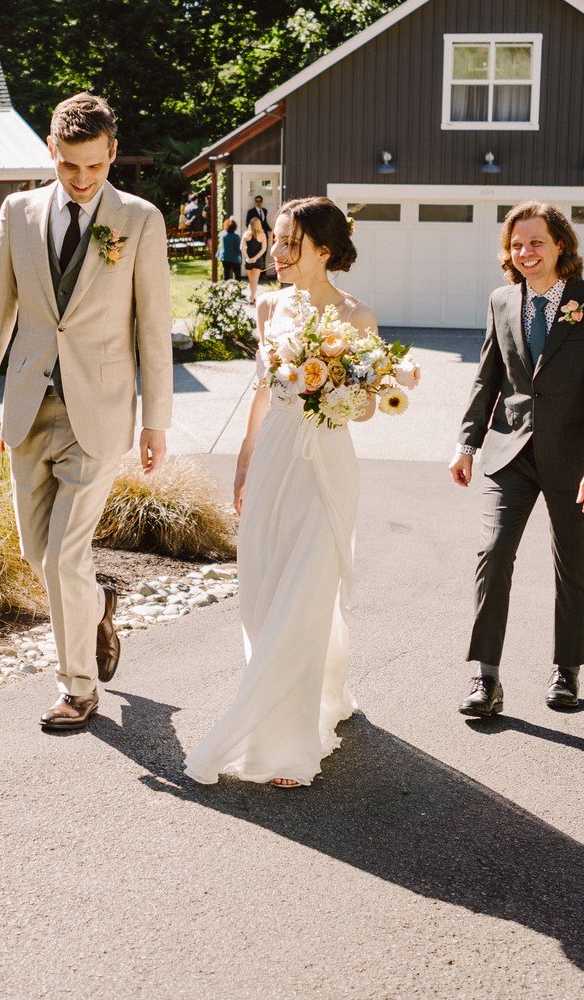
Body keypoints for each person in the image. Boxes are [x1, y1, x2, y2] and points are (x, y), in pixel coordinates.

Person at [0, 92, 174, 732]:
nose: (81, 181)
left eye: (95, 167)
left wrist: (156, 419)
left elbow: (154, 327)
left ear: (112, 152)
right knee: (38, 555)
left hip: (100, 413)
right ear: (52, 151)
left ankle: (77, 688)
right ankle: (99, 604)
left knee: (61, 558)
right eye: (69, 166)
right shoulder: (18, 213)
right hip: (28, 406)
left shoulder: (140, 220)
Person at [185, 197, 377, 789]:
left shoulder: (358, 318)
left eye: (290, 242)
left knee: (307, 594)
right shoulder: (268, 306)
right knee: (266, 592)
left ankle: (287, 742)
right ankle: (300, 693)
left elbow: (369, 407)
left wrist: (335, 390)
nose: (278, 252)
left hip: (325, 466)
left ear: (323, 250)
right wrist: (243, 463)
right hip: (273, 463)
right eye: (277, 241)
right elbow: (264, 394)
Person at [451, 202, 584, 716]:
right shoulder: (501, 301)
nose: (526, 253)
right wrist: (467, 444)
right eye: (516, 244)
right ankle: (485, 678)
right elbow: (488, 377)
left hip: (575, 461)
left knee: (572, 564)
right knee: (493, 552)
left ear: (560, 246)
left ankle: (566, 670)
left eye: (536, 242)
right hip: (509, 451)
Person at [242, 214, 269, 304]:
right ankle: (252, 298)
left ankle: (252, 297)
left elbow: (241, 248)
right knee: (255, 280)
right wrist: (256, 257)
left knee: (251, 280)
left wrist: (247, 258)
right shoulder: (262, 235)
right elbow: (264, 248)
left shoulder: (246, 234)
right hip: (257, 260)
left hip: (248, 261)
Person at [218, 217, 244, 283]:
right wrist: (241, 258)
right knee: (237, 276)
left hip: (225, 258)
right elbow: (238, 248)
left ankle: (224, 290)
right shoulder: (236, 237)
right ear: (235, 227)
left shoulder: (222, 235)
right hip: (235, 258)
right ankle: (238, 290)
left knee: (226, 275)